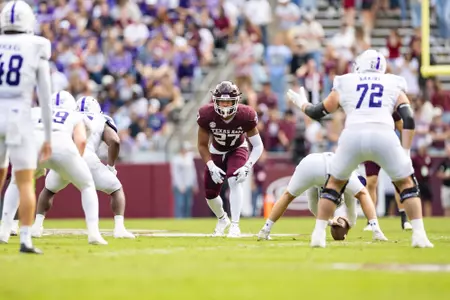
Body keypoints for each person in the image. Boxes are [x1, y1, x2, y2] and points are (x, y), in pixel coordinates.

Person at [287, 49, 433, 248]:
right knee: (407, 184)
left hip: (353, 134)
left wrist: (302, 103)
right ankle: (419, 235)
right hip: (384, 133)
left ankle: (318, 234)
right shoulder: (393, 82)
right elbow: (408, 119)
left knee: (334, 185)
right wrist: (405, 151)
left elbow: (318, 111)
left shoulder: (346, 81)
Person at [0, 91, 107, 247]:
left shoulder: (34, 111)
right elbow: (82, 140)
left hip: (33, 146)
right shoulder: (75, 116)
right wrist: (76, 162)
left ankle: (4, 231)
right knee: (87, 185)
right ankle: (93, 234)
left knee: (16, 184)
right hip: (63, 146)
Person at [31, 96, 134, 239]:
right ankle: (119, 229)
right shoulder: (102, 118)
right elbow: (115, 141)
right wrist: (111, 166)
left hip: (64, 157)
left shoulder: (71, 115)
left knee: (48, 190)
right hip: (87, 157)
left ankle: (37, 226)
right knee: (116, 189)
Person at [0, 1, 53, 254]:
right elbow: (44, 95)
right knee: (24, 182)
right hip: (19, 116)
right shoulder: (37, 46)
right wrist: (47, 136)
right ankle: (25, 240)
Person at [258, 152, 387, 241]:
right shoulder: (349, 172)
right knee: (363, 193)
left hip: (310, 164)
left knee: (287, 196)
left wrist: (332, 222)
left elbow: (312, 205)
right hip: (331, 167)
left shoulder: (346, 168)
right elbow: (352, 211)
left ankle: (265, 230)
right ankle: (377, 230)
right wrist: (345, 224)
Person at [197, 81, 263, 237]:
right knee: (210, 193)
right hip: (216, 150)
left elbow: (258, 146)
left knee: (234, 180)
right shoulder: (207, 114)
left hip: (237, 148)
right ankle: (222, 219)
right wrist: (211, 164)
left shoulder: (246, 115)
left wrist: (248, 166)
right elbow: (201, 145)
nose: (225, 106)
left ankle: (235, 225)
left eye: (229, 102)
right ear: (215, 101)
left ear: (236, 101)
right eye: (222, 102)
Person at [363, 112, 412, 231]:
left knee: (398, 181)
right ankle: (371, 221)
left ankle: (404, 219)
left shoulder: (388, 108)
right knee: (371, 182)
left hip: (389, 147)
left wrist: (404, 148)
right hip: (371, 148)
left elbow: (401, 126)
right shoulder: (364, 110)